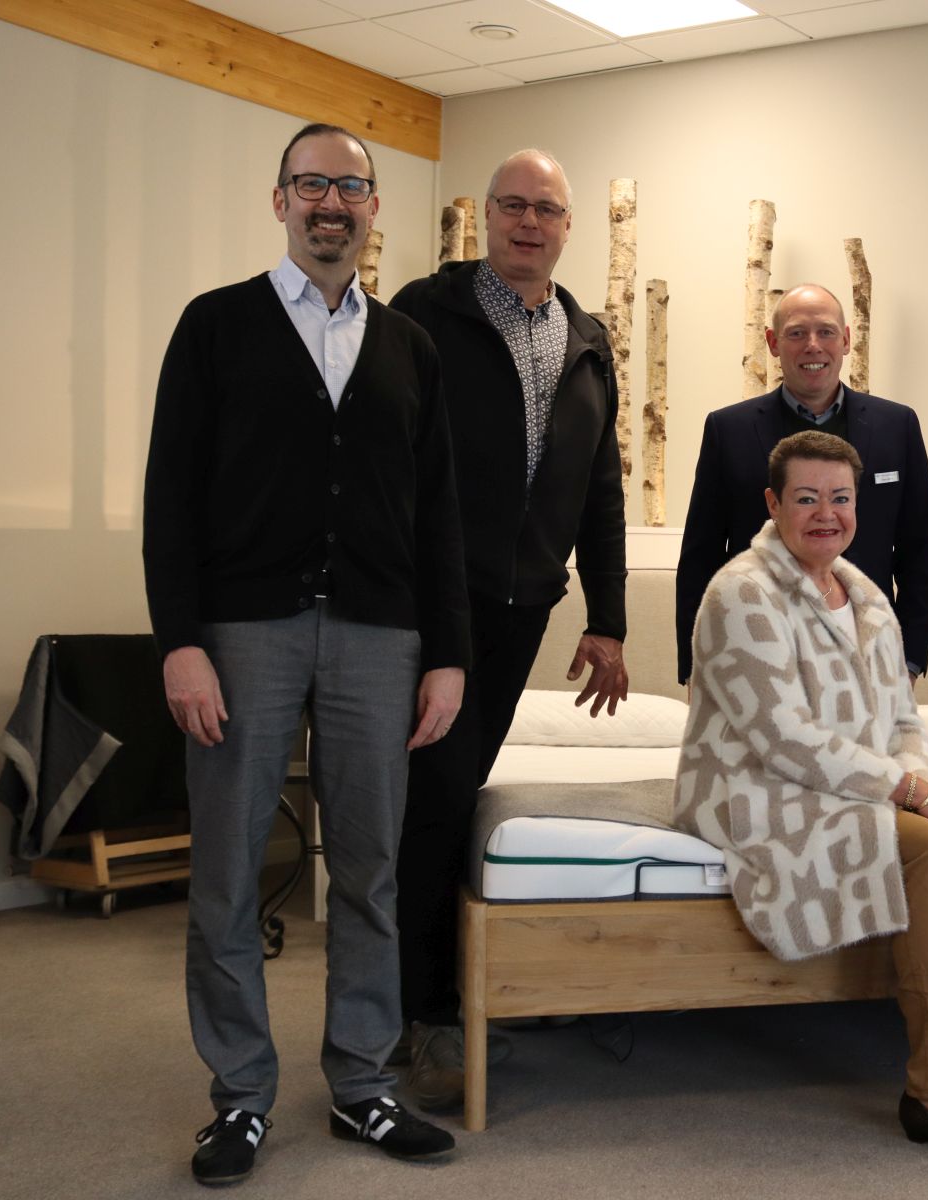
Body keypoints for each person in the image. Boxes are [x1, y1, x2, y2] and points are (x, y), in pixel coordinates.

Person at [143, 123, 468, 1184]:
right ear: (279, 199)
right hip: (244, 634)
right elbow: (169, 499)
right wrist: (181, 644)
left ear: (374, 209)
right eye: (313, 184)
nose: (333, 203)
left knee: (370, 870)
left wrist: (448, 654)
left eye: (352, 187)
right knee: (229, 872)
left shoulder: (409, 347)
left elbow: (439, 515)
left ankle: (362, 1086)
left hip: (382, 635)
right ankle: (240, 1098)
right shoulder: (216, 326)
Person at [676, 431, 928, 1163]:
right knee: (927, 845)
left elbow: (903, 721)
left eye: (840, 498)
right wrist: (910, 792)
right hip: (758, 787)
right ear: (773, 503)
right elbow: (782, 736)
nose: (826, 514)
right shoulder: (741, 591)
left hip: (850, 782)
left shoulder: (868, 596)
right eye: (806, 498)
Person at [386, 148, 630, 1107]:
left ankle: (446, 990)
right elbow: (386, 455)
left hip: (525, 606)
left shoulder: (587, 338)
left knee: (455, 794)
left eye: (548, 210)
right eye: (514, 206)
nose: (530, 223)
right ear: (486, 215)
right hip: (430, 605)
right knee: (435, 796)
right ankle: (424, 1014)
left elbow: (601, 490)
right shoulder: (425, 310)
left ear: (569, 227)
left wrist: (608, 619)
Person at [675, 284, 928, 686]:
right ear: (773, 343)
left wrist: (910, 662)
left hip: (868, 658)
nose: (813, 345)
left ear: (846, 340)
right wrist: (697, 670)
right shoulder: (728, 430)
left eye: (826, 332)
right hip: (755, 656)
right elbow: (700, 558)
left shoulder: (897, 426)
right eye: (797, 333)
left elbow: (920, 554)